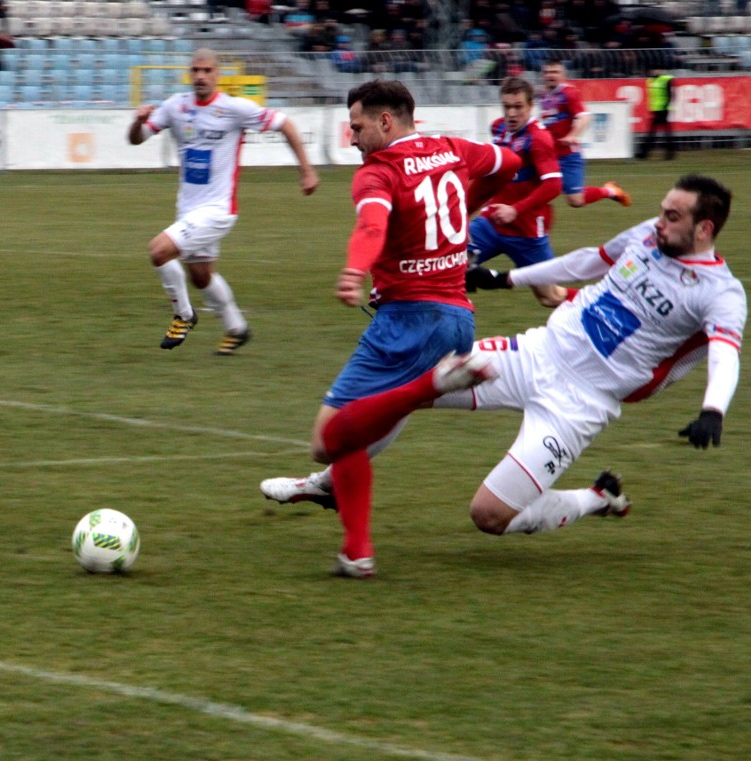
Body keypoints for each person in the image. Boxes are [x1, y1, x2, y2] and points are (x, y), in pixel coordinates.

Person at [261, 175, 746, 571]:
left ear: (704, 229)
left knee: (489, 516)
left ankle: (595, 499)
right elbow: (588, 261)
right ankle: (327, 484)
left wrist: (713, 409)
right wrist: (507, 278)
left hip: (579, 404)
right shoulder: (646, 235)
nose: (660, 222)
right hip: (533, 353)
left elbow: (725, 353)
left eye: (673, 216)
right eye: (662, 210)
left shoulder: (721, 293)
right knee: (409, 389)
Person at [264, 78, 521, 578]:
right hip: (458, 319)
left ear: (386, 121)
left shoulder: (377, 174)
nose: (351, 138)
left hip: (410, 321)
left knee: (329, 437)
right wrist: (466, 206)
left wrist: (356, 269)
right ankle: (345, 526)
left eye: (357, 126)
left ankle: (349, 516)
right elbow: (508, 165)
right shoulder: (451, 148)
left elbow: (372, 227)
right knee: (364, 427)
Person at [128, 48, 319, 355]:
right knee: (201, 277)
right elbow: (136, 139)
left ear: (218, 74)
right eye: (196, 70)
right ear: (189, 73)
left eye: (207, 71)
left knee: (158, 251)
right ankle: (236, 328)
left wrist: (307, 171)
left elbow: (285, 124)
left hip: (218, 210)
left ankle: (184, 315)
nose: (201, 76)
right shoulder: (175, 106)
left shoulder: (234, 109)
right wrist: (138, 122)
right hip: (188, 209)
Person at [466, 76, 567, 308]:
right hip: (491, 223)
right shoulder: (499, 128)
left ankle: (597, 303)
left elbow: (554, 185)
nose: (511, 113)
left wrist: (515, 210)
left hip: (526, 231)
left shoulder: (539, 138)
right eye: (507, 106)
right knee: (447, 259)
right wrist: (464, 214)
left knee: (549, 297)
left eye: (518, 107)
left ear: (530, 106)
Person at [539, 59, 632, 209]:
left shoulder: (568, 93)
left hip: (567, 155)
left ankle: (609, 191)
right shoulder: (543, 95)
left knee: (576, 201)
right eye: (547, 72)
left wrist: (572, 135)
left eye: (555, 72)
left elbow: (584, 117)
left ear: (563, 75)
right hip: (548, 155)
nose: (550, 75)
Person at [636, 67, 676, 161]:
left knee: (654, 133)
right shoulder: (650, 80)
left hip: (663, 110)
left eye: (656, 70)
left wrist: (666, 106)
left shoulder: (666, 79)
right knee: (662, 133)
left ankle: (644, 153)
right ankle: (669, 153)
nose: (654, 71)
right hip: (655, 109)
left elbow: (670, 94)